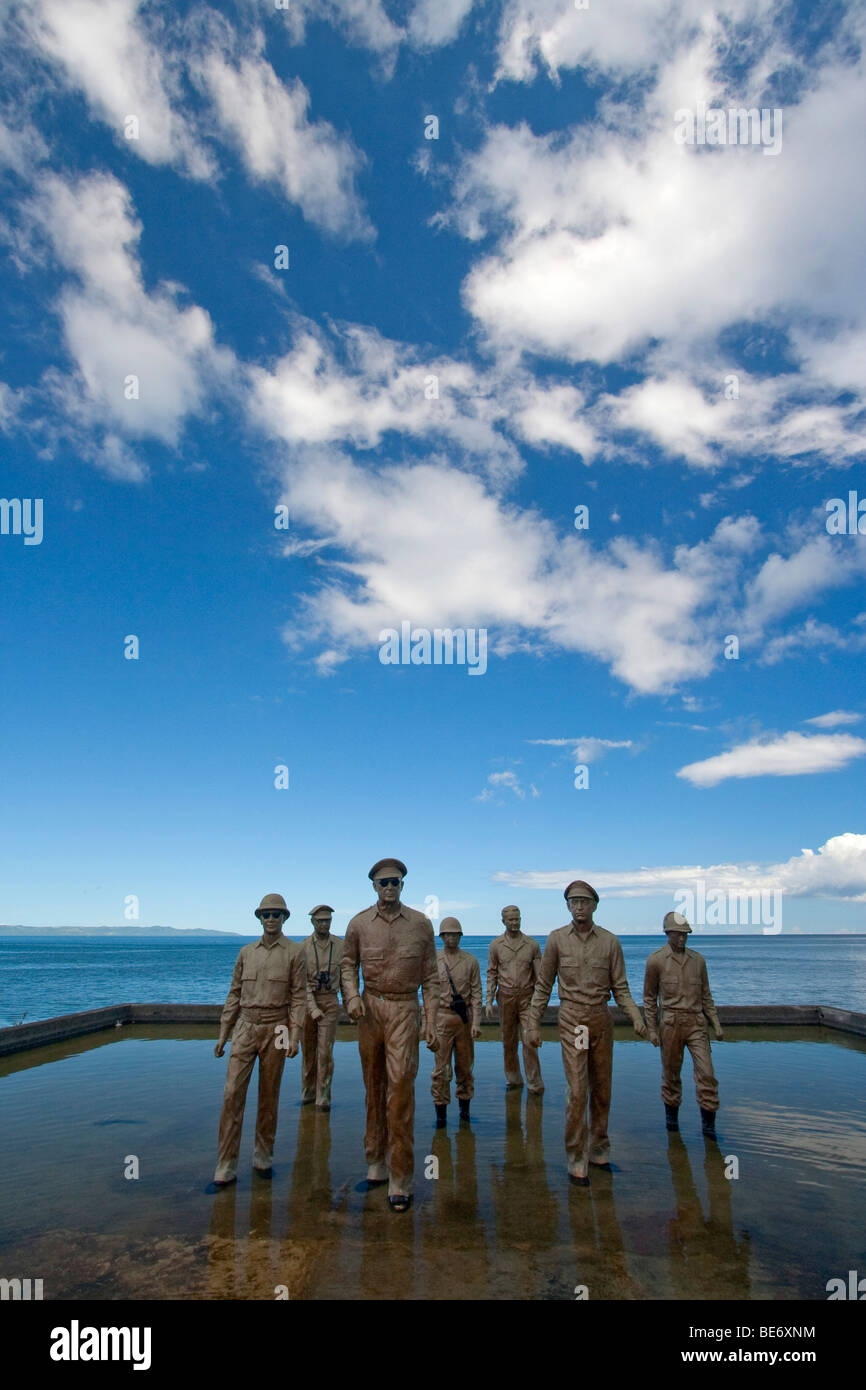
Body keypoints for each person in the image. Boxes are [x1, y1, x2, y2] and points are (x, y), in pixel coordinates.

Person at [526, 880, 648, 1185]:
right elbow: (543, 987)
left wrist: (637, 1018)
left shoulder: (610, 942)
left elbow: (621, 988)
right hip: (573, 1020)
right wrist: (532, 1023)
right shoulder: (555, 940)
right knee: (578, 1091)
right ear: (567, 906)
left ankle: (599, 1149)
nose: (579, 906)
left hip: (601, 1019)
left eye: (584, 901)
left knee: (602, 1089)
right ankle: (576, 1157)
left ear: (594, 905)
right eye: (573, 902)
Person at [341, 858, 439, 1213]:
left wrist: (431, 1020)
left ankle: (401, 1176)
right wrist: (351, 997)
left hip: (403, 1009)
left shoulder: (421, 924)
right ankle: (375, 1161)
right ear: (373, 886)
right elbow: (347, 965)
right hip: (370, 1008)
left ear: (403, 884)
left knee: (400, 1090)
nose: (389, 888)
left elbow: (431, 977)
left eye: (395, 882)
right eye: (383, 882)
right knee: (374, 1087)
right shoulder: (358, 924)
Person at [211, 893, 306, 1187]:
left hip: (277, 1027)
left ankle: (263, 1154)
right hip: (245, 1027)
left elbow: (299, 997)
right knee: (231, 1095)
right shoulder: (245, 953)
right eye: (266, 914)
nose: (271, 919)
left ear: (285, 918)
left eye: (277, 914)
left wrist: (295, 1035)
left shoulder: (295, 952)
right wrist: (224, 1033)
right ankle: (226, 1163)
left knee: (269, 1095)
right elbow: (234, 994)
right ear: (259, 918)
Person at [643, 911, 723, 1137]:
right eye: (678, 934)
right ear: (668, 934)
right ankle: (672, 1126)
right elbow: (649, 998)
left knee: (707, 1074)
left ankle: (709, 1128)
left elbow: (706, 995)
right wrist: (651, 1029)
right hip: (670, 1024)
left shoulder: (698, 961)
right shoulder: (656, 960)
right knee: (671, 1075)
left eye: (686, 934)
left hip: (696, 1023)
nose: (682, 938)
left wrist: (715, 1023)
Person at [427, 917, 482, 1127]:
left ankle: (464, 1112)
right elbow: (429, 994)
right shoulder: (434, 961)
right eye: (447, 934)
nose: (451, 938)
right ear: (441, 937)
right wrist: (427, 1025)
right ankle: (440, 1114)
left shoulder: (471, 961)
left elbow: (477, 993)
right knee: (440, 1070)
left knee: (465, 1068)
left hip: (464, 1020)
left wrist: (476, 1022)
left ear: (460, 936)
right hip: (442, 1018)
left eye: (455, 934)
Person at [485, 905, 544, 1093]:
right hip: (505, 998)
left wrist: (540, 1002)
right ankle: (513, 1079)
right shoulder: (496, 945)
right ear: (503, 921)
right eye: (510, 920)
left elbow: (540, 977)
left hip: (527, 999)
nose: (514, 923)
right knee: (508, 1042)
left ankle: (534, 1083)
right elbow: (491, 973)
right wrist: (488, 1000)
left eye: (517, 919)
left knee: (530, 1040)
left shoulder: (532, 945)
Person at [301, 904, 343, 1111]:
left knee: (325, 1052)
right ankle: (308, 1093)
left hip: (330, 1002)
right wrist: (312, 1007)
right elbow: (300, 984)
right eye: (320, 921)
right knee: (308, 1052)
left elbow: (347, 978)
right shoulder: (303, 948)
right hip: (308, 1003)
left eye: (327, 920)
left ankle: (323, 1096)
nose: (324, 924)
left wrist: (351, 1004)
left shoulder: (341, 946)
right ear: (312, 922)